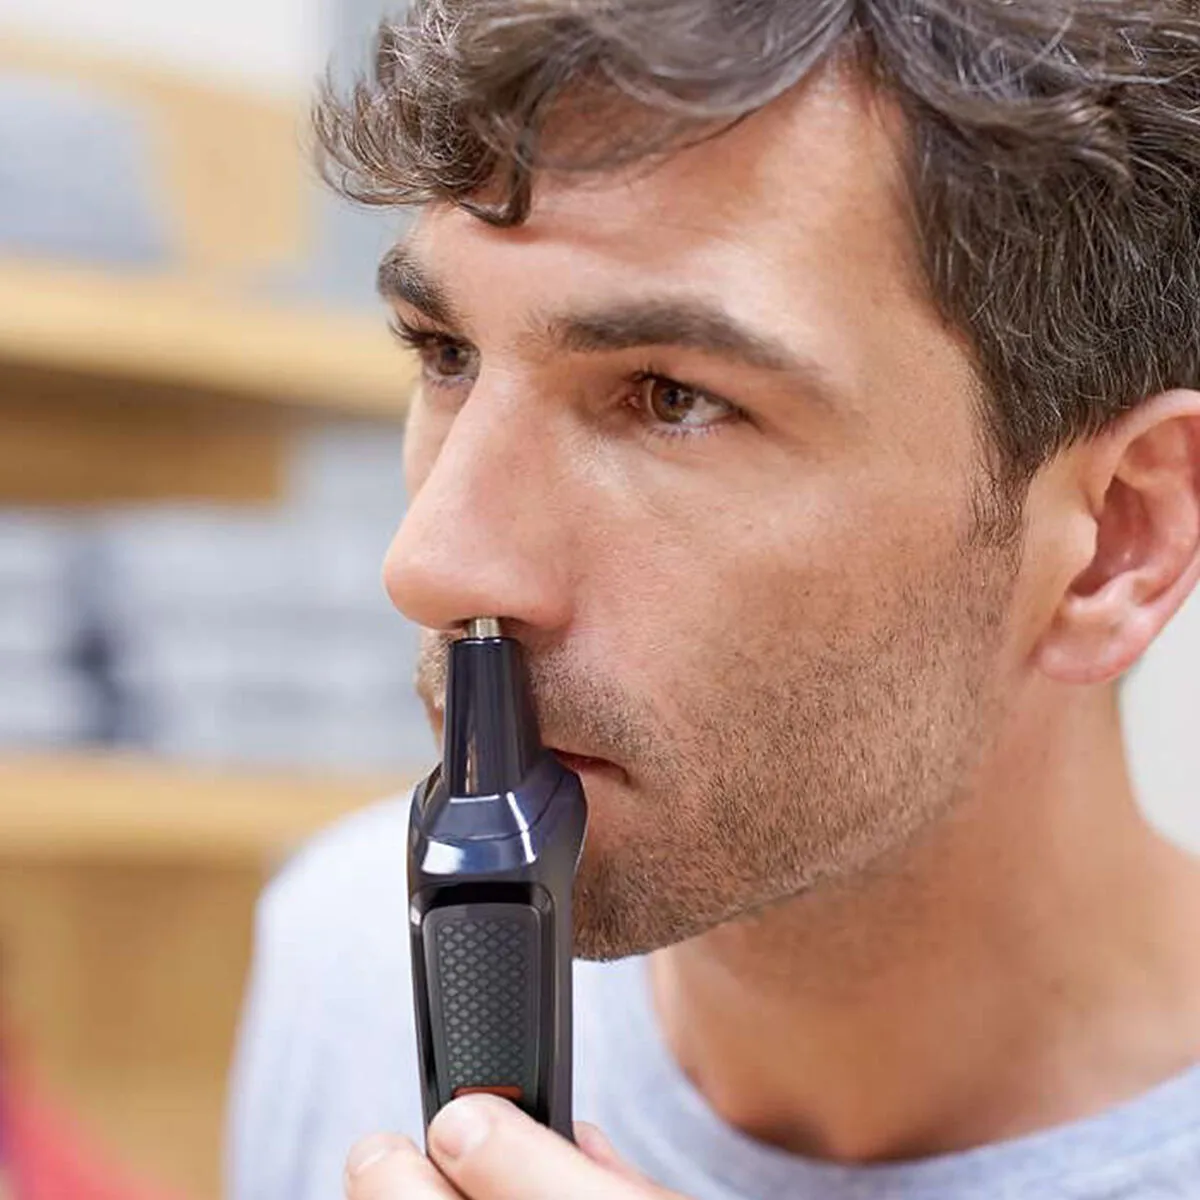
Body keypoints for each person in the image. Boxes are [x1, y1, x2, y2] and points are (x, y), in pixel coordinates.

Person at [226, 1, 1200, 1197]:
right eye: (446, 353)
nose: (428, 565)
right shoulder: (345, 959)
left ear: (1118, 540)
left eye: (673, 397)